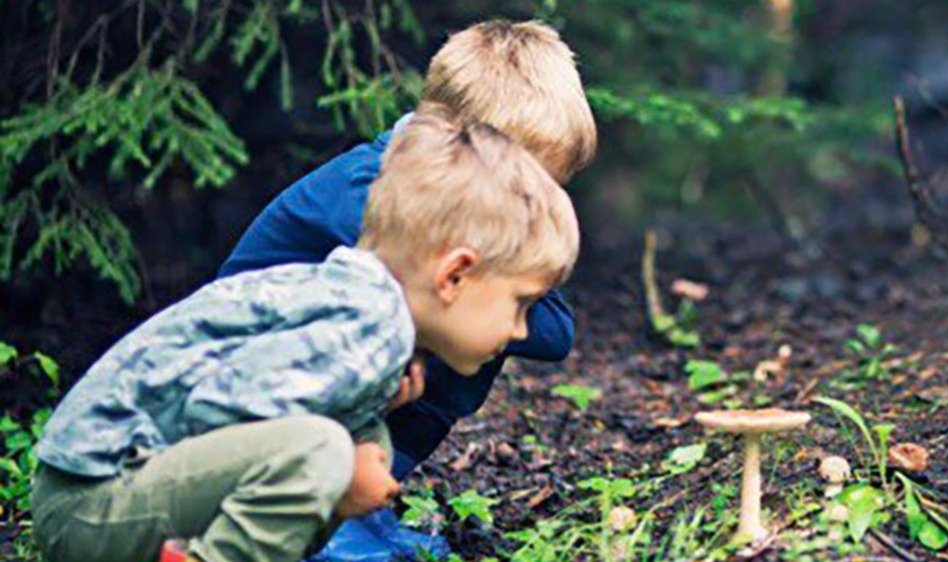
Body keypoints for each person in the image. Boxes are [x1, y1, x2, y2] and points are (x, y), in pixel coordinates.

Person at [30, 109, 580, 562]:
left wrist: (363, 433)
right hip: (93, 500)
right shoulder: (363, 324)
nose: (522, 329)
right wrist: (344, 465)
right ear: (454, 275)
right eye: (521, 303)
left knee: (347, 449)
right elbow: (215, 410)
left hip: (116, 494)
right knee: (322, 454)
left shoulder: (366, 309)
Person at [217, 20, 596, 560]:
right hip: (249, 401)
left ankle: (355, 511)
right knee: (438, 315)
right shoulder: (371, 197)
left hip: (351, 409)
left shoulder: (454, 210)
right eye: (524, 187)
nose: (533, 209)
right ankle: (311, 515)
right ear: (459, 148)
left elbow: (555, 331)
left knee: (455, 335)